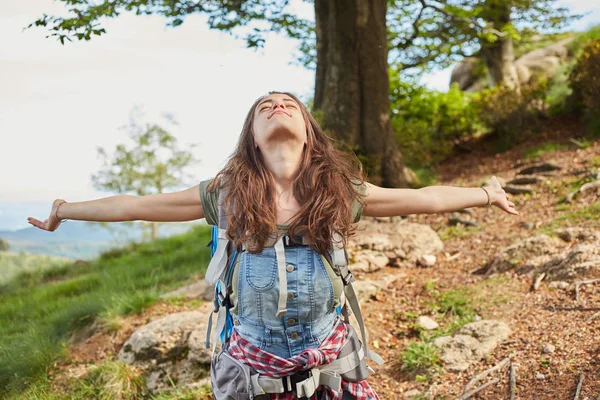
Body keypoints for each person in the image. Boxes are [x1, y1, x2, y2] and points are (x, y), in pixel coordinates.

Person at [28, 91, 518, 399]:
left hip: (329, 361)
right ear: (253, 138)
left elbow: (422, 198)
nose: (277, 106)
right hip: (251, 370)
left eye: (288, 104)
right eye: (265, 107)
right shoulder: (225, 196)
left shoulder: (337, 194)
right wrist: (64, 210)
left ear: (309, 134)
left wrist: (485, 193)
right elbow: (134, 205)